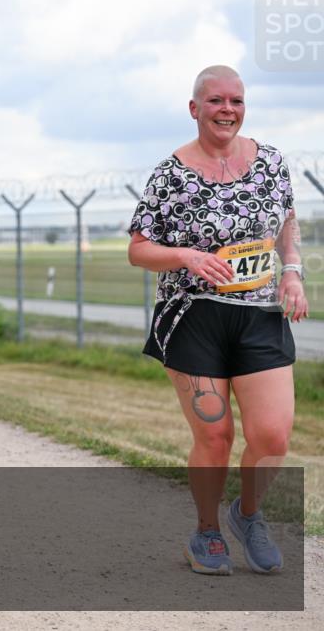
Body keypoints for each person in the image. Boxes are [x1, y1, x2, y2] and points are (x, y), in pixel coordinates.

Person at [128, 65, 308, 576]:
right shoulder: (171, 173)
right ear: (195, 108)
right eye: (215, 101)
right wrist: (185, 257)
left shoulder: (271, 162)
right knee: (215, 434)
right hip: (192, 315)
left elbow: (286, 223)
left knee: (272, 435)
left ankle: (247, 515)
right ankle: (206, 531)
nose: (226, 109)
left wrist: (292, 273)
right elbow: (138, 250)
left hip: (260, 315)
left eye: (236, 100)